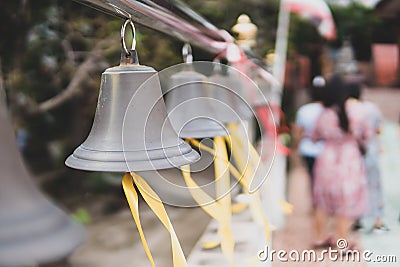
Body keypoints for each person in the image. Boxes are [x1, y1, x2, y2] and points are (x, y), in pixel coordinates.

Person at [311, 75, 372, 250]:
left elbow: (315, 136)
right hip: (349, 158)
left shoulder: (324, 112)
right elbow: (367, 135)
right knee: (347, 200)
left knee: (322, 200)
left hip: (327, 159)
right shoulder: (358, 110)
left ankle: (319, 238)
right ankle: (342, 242)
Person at [348, 82, 389, 233]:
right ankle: (378, 221)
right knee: (374, 185)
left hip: (352, 154)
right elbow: (378, 129)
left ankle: (356, 219)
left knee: (354, 186)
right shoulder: (372, 108)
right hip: (370, 151)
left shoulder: (347, 109)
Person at [293, 76, 325, 191]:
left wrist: (295, 150)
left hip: (308, 150)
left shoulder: (304, 111)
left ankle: (315, 201)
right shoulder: (328, 111)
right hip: (324, 150)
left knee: (313, 178)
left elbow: (298, 133)